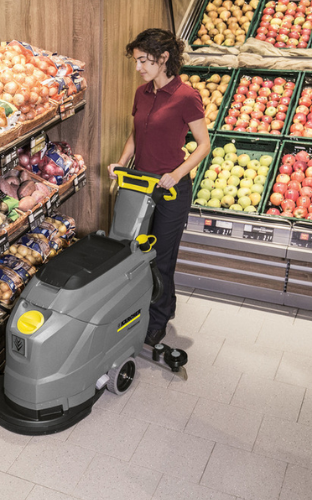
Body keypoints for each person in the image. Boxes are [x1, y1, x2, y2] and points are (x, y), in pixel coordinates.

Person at [108, 28, 210, 347]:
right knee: (135, 252)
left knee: (162, 258)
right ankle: (137, 309)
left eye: (143, 60)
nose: (138, 67)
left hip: (170, 190)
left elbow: (204, 145)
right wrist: (122, 161)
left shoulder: (187, 97)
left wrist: (177, 174)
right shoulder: (142, 94)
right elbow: (136, 134)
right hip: (140, 185)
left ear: (163, 58)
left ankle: (159, 318)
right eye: (137, 60)